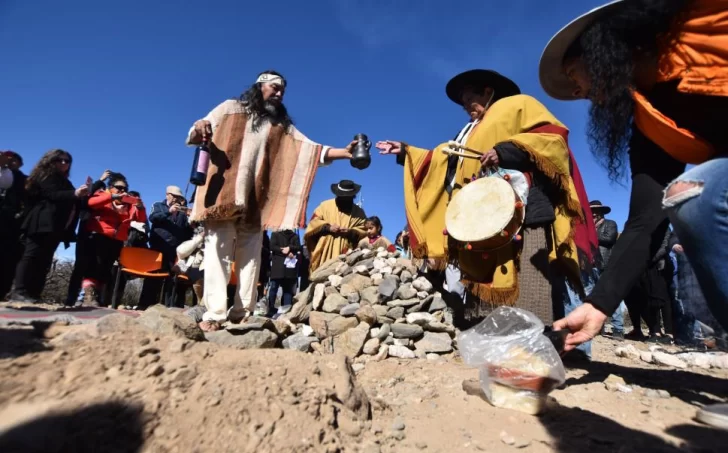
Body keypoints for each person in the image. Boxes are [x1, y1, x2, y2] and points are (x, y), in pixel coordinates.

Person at [540, 0, 728, 429]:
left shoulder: (708, 30)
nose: (577, 92)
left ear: (602, 51)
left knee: (703, 191)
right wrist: (599, 303)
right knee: (691, 199)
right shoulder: (650, 121)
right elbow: (646, 219)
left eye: (574, 76)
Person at [378, 69, 600, 324]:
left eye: (469, 99)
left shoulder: (519, 104)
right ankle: (494, 337)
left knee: (530, 273)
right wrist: (406, 151)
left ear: (487, 91)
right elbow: (448, 156)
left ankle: (539, 338)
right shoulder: (469, 131)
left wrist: (505, 150)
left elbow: (551, 136)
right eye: (462, 104)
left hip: (523, 209)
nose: (465, 107)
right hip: (482, 217)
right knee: (481, 275)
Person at [186, 70, 359, 330]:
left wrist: (344, 153)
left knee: (251, 258)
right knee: (216, 255)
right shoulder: (231, 108)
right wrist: (199, 126)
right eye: (274, 87)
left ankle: (242, 312)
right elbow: (200, 129)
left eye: (282, 90)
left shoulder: (281, 127)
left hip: (256, 201)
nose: (279, 93)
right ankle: (214, 314)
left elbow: (309, 150)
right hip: (223, 194)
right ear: (259, 86)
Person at [9, 149, 89, 303]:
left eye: (67, 161)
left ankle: (34, 293)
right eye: (60, 160)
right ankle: (19, 291)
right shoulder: (46, 175)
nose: (64, 163)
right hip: (41, 221)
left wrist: (81, 194)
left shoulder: (66, 181)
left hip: (57, 226)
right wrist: (75, 194)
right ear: (51, 161)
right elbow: (52, 194)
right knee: (31, 256)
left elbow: (71, 199)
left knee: (45, 260)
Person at [80, 174, 146, 307]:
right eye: (119, 188)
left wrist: (139, 206)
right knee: (94, 267)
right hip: (99, 236)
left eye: (124, 188)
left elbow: (141, 219)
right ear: (111, 188)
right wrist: (112, 197)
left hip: (117, 240)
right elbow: (91, 203)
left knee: (105, 269)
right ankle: (88, 296)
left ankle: (98, 298)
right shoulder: (102, 195)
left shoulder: (128, 204)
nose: (122, 191)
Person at [138, 186, 192, 309]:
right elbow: (153, 218)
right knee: (153, 278)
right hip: (158, 248)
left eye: (179, 198)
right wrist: (169, 212)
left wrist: (191, 222)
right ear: (168, 195)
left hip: (174, 251)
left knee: (172, 280)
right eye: (175, 197)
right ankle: (145, 305)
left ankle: (169, 307)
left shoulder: (182, 214)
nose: (177, 200)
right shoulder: (158, 205)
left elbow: (186, 233)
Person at [66, 170, 112, 306]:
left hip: (100, 237)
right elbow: (87, 197)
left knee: (95, 268)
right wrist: (101, 180)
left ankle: (89, 299)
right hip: (86, 233)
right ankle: (71, 298)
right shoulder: (89, 198)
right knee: (80, 267)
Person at [304, 180, 367, 273]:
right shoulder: (325, 206)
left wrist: (350, 232)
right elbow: (313, 223)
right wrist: (328, 227)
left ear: (352, 196)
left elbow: (365, 230)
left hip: (347, 252)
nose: (345, 200)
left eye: (348, 198)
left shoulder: (359, 212)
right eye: (343, 197)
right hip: (325, 250)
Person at [590, 200, 625, 339]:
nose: (593, 213)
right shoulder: (588, 226)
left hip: (606, 265)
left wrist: (590, 235)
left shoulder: (610, 224)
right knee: (592, 298)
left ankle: (618, 328)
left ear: (601, 213)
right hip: (591, 265)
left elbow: (609, 238)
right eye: (591, 210)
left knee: (611, 296)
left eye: (596, 211)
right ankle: (598, 327)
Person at [0, 151, 27, 300]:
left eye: (14, 160)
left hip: (11, 223)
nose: (9, 162)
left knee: (8, 259)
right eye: (7, 159)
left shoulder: (23, 180)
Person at [268, 229, 301, 317]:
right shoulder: (275, 234)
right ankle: (271, 308)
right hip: (278, 266)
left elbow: (298, 247)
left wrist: (289, 248)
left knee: (287, 290)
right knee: (274, 288)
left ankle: (286, 311)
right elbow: (272, 246)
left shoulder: (295, 236)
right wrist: (282, 250)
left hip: (288, 267)